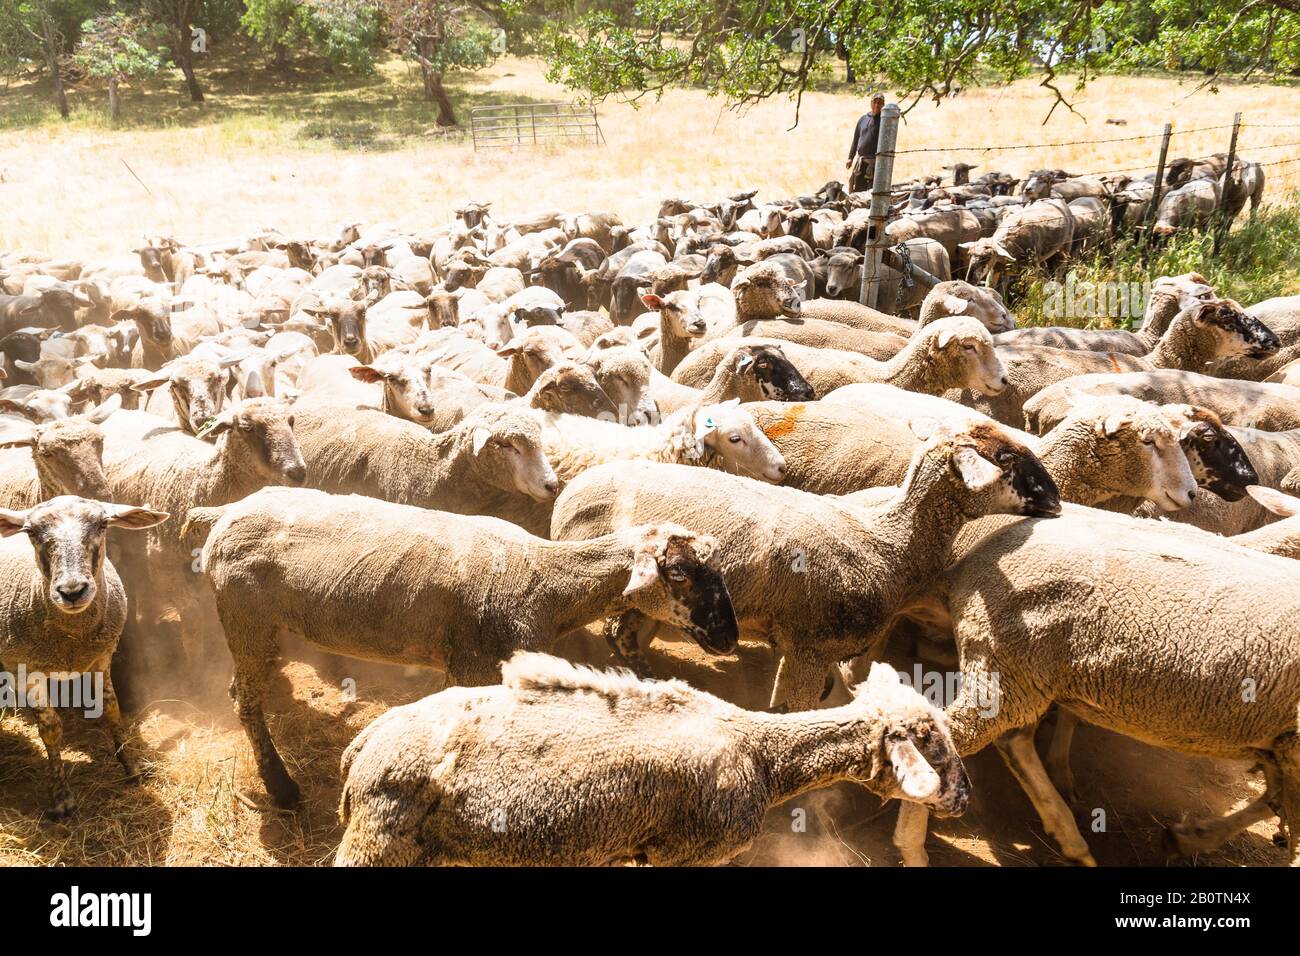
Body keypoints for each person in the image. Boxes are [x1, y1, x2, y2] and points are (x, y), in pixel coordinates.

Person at [846, 94, 885, 194]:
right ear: (871, 103)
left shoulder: (884, 121)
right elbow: (855, 140)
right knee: (858, 189)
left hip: (876, 163)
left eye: (880, 103)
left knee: (871, 191)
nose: (877, 105)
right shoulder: (863, 119)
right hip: (861, 162)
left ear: (883, 105)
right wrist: (850, 158)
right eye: (875, 102)